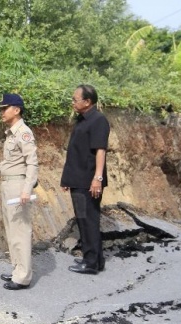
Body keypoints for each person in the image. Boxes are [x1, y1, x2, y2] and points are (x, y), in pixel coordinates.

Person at [0, 93, 39, 290]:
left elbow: (32, 162)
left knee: (20, 232)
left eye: (4, 108)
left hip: (18, 186)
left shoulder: (24, 133)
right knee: (11, 230)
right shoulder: (11, 133)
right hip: (8, 184)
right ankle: (17, 270)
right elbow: (11, 161)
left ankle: (23, 277)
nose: (1, 112)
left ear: (16, 109)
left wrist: (27, 188)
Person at [61, 84, 110, 275]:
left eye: (75, 99)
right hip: (78, 179)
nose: (73, 102)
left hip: (88, 182)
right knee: (84, 219)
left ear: (87, 101)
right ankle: (96, 260)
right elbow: (78, 153)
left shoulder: (98, 120)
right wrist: (68, 179)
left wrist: (97, 178)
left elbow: (100, 150)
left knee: (88, 220)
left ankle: (90, 263)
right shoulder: (82, 120)